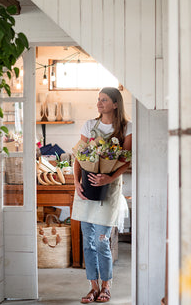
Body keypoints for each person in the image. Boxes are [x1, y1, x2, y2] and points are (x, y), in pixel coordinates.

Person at [71, 87, 132, 303]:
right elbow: (79, 157)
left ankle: (107, 286)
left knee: (101, 241)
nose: (99, 103)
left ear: (115, 104)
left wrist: (108, 178)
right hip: (86, 189)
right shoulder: (90, 125)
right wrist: (76, 182)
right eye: (98, 100)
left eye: (104, 100)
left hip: (109, 189)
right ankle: (93, 287)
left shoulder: (126, 127)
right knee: (87, 242)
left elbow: (126, 160)